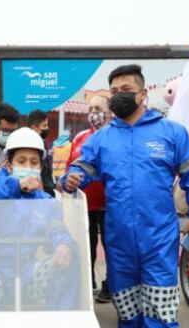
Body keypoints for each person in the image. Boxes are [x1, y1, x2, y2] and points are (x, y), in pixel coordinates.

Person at [63, 64, 189, 328]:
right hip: (118, 235)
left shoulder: (171, 133)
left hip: (159, 233)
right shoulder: (102, 139)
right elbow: (81, 167)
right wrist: (71, 177)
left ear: (144, 94)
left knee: (161, 296)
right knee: (124, 294)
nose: (119, 96)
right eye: (113, 91)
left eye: (126, 89)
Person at [0, 128, 78, 311]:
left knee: (68, 260)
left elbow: (58, 230)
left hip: (26, 275)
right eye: (21, 161)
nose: (28, 167)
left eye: (34, 162)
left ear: (40, 167)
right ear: (9, 165)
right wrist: (14, 185)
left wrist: (64, 245)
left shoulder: (45, 201)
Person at [66, 95, 112, 303]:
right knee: (87, 244)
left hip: (110, 204)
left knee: (111, 246)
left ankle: (111, 285)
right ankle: (88, 282)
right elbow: (71, 166)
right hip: (85, 202)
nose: (94, 112)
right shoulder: (80, 137)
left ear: (109, 111)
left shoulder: (115, 136)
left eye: (98, 108)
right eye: (91, 108)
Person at [26, 109, 55, 195]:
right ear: (34, 127)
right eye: (44, 125)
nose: (47, 128)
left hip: (48, 192)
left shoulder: (42, 142)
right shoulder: (28, 146)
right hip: (39, 194)